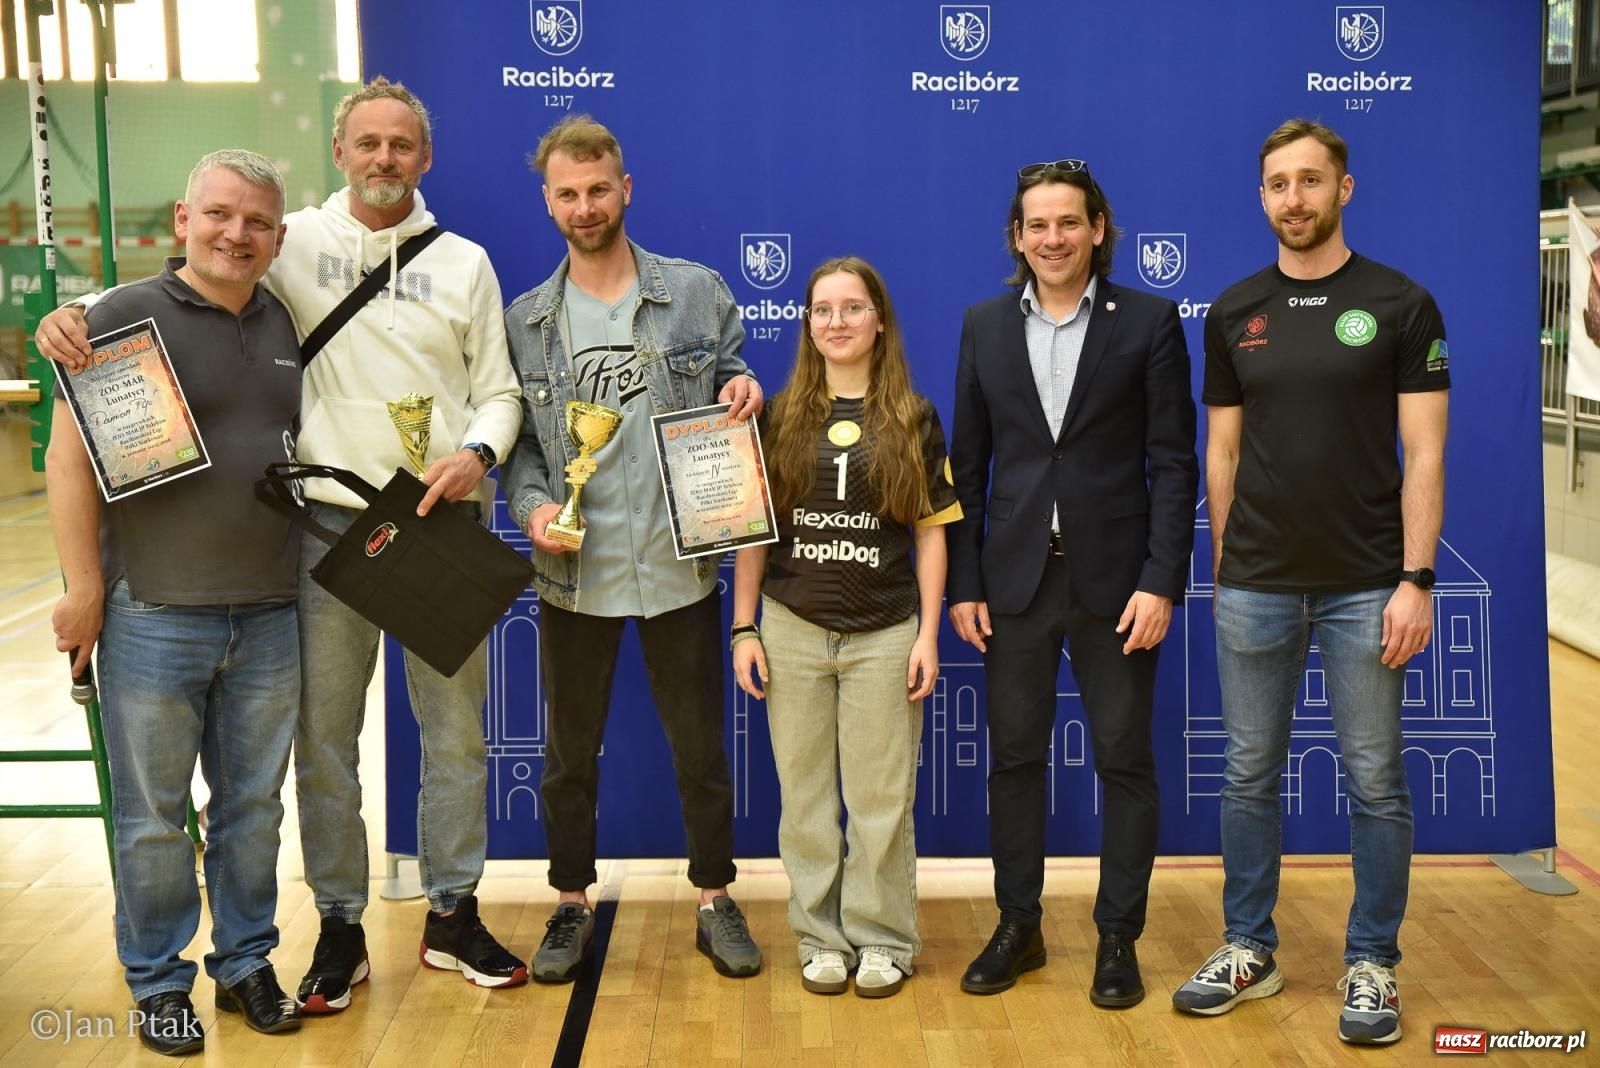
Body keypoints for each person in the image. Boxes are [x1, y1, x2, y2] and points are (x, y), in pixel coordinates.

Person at [36, 78, 528, 1009]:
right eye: (368, 143)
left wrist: (475, 452)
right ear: (340, 152)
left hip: (437, 526)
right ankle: (341, 921)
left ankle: (453, 910)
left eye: (403, 146)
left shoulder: (465, 262)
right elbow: (192, 275)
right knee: (324, 742)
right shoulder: (290, 239)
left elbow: (500, 390)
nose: (385, 159)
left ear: (425, 160)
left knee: (458, 736)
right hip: (326, 533)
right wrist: (74, 312)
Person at [1171, 119, 1449, 1047]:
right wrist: (1224, 559)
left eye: (1311, 182)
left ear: (1345, 190)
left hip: (1370, 583)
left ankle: (1372, 962)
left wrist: (1417, 578)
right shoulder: (1232, 310)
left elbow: (1425, 454)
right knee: (1247, 775)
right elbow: (1222, 447)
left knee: (1375, 779)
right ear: (1262, 198)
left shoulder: (1402, 304)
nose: (1294, 199)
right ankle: (1248, 946)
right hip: (1253, 582)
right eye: (1278, 185)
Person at [46, 149, 302, 1055]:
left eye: (259, 222)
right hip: (152, 614)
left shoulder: (287, 317)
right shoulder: (117, 317)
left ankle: (245, 964)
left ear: (278, 237)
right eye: (221, 215)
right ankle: (159, 981)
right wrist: (83, 590)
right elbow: (69, 459)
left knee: (254, 809)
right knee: (154, 817)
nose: (238, 233)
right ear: (184, 217)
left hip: (272, 613)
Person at [501, 113, 764, 982]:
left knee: (701, 750)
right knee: (569, 757)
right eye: (568, 194)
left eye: (599, 189)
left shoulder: (694, 291)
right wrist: (535, 509)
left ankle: (716, 900)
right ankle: (570, 904)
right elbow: (528, 453)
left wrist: (743, 384)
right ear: (549, 203)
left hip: (680, 566)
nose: (586, 206)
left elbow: (732, 376)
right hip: (575, 572)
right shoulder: (528, 319)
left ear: (627, 188)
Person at [946, 159, 1198, 1006]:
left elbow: (1173, 462)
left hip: (1119, 587)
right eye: (1036, 225)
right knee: (1014, 763)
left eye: (1068, 223)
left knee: (1124, 763)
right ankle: (1019, 927)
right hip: (1012, 587)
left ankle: (1118, 938)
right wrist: (965, 584)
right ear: (1017, 237)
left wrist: (1163, 580)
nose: (1052, 239)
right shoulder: (983, 325)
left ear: (1097, 229)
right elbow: (968, 470)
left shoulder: (1152, 322)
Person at [730, 257, 960, 999]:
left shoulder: (914, 417)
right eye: (822, 309)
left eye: (852, 308)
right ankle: (819, 938)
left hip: (885, 631)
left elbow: (930, 531)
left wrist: (926, 633)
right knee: (803, 799)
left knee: (881, 802)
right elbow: (753, 535)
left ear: (879, 321)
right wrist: (744, 628)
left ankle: (883, 939)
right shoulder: (777, 415)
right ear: (806, 323)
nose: (836, 321)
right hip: (793, 627)